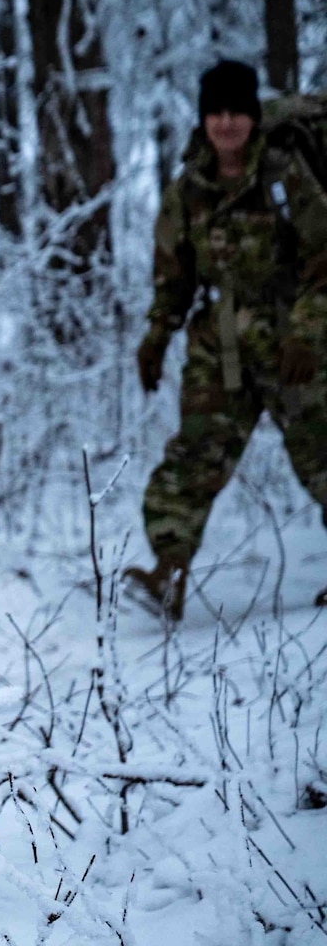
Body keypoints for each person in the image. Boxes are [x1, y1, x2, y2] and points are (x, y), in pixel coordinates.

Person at [127, 59, 327, 619]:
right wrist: (156, 337)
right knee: (193, 455)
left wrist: (308, 335)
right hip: (223, 351)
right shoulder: (188, 189)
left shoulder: (287, 176)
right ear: (203, 118)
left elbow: (323, 258)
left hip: (296, 345)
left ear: (253, 116)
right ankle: (168, 574)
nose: (227, 123)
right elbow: (175, 278)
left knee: (322, 454)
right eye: (216, 112)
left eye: (237, 111)